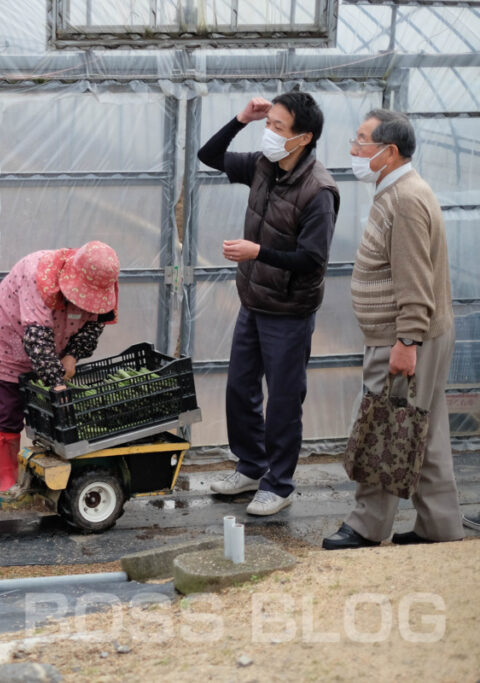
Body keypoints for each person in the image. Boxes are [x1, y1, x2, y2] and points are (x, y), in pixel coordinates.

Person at [323, 110, 463, 549]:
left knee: (385, 425)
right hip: (415, 335)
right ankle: (439, 527)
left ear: (390, 152)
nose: (353, 149)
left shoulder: (403, 199)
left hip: (404, 338)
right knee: (424, 427)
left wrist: (406, 341)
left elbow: (415, 282)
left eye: (362, 140)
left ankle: (367, 526)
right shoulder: (398, 192)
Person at [198, 93, 339, 516]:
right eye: (269, 123)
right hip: (254, 299)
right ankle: (251, 465)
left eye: (278, 127)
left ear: (304, 137)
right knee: (240, 388)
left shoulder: (319, 192)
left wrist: (256, 252)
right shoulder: (264, 165)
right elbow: (210, 155)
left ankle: (279, 484)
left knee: (282, 398)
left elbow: (312, 258)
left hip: (290, 310)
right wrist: (241, 117)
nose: (269, 132)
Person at [0, 241, 119, 492]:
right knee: (7, 413)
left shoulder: (104, 282)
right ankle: (8, 479)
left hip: (55, 344)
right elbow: (37, 340)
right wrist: (56, 382)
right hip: (8, 347)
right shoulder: (38, 274)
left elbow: (96, 322)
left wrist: (72, 356)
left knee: (49, 414)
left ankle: (47, 478)